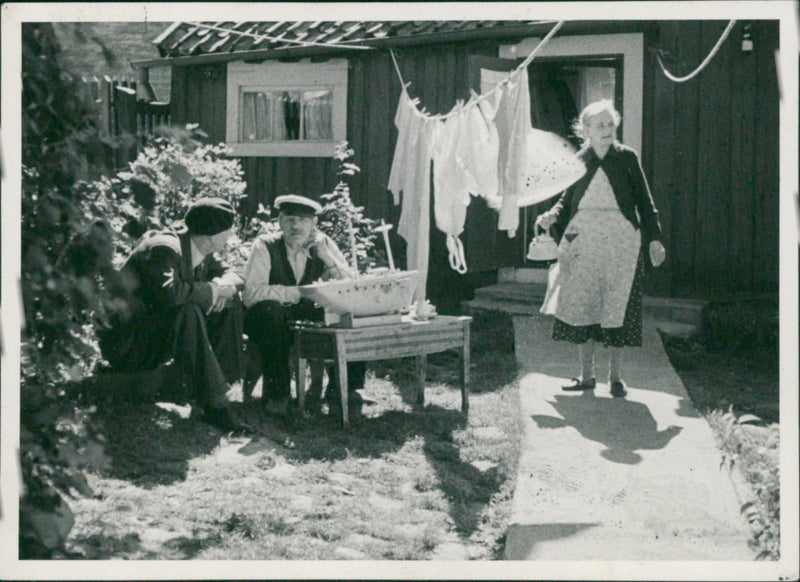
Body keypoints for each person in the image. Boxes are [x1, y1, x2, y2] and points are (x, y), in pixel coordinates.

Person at [535, 99, 666, 398]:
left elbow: (645, 202)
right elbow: (566, 200)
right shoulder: (579, 160)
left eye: (611, 124)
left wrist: (654, 237)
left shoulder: (627, 158)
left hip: (621, 243)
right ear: (586, 130)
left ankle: (616, 378)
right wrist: (552, 215)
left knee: (616, 306)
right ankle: (586, 376)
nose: (607, 130)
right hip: (582, 243)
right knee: (583, 306)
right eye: (600, 125)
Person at [98, 197, 249, 432]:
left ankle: (216, 390)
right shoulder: (165, 248)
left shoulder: (198, 246)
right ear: (213, 234)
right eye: (227, 231)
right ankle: (216, 405)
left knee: (227, 300)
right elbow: (170, 295)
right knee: (187, 310)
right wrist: (213, 290)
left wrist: (220, 287)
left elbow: (236, 273)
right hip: (127, 345)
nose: (230, 236)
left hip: (153, 337)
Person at [243, 194, 366, 417]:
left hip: (309, 312)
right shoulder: (265, 246)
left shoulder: (324, 243)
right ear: (280, 221)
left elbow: (351, 287)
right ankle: (279, 393)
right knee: (270, 312)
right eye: (289, 219)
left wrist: (327, 258)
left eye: (303, 220)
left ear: (314, 224)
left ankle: (344, 389)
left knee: (351, 310)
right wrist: (299, 292)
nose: (296, 225)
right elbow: (251, 294)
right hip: (273, 319)